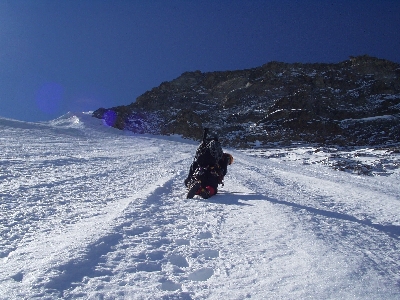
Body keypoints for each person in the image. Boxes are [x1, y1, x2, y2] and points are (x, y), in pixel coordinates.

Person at [185, 128, 234, 199]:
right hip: (212, 174)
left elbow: (194, 165)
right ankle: (206, 191)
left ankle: (197, 188)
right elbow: (223, 172)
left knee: (193, 183)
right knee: (212, 188)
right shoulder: (223, 158)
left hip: (199, 171)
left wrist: (189, 179)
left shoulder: (203, 154)